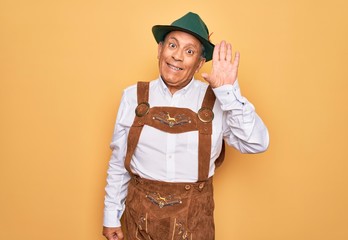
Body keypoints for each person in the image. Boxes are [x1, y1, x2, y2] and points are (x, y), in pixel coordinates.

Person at [102, 12, 269, 240]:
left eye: (189, 51)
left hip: (194, 223)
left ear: (200, 63)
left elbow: (257, 143)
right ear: (160, 50)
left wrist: (228, 93)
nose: (177, 56)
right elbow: (119, 161)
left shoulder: (219, 100)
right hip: (137, 220)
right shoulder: (132, 97)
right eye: (172, 45)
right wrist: (111, 216)